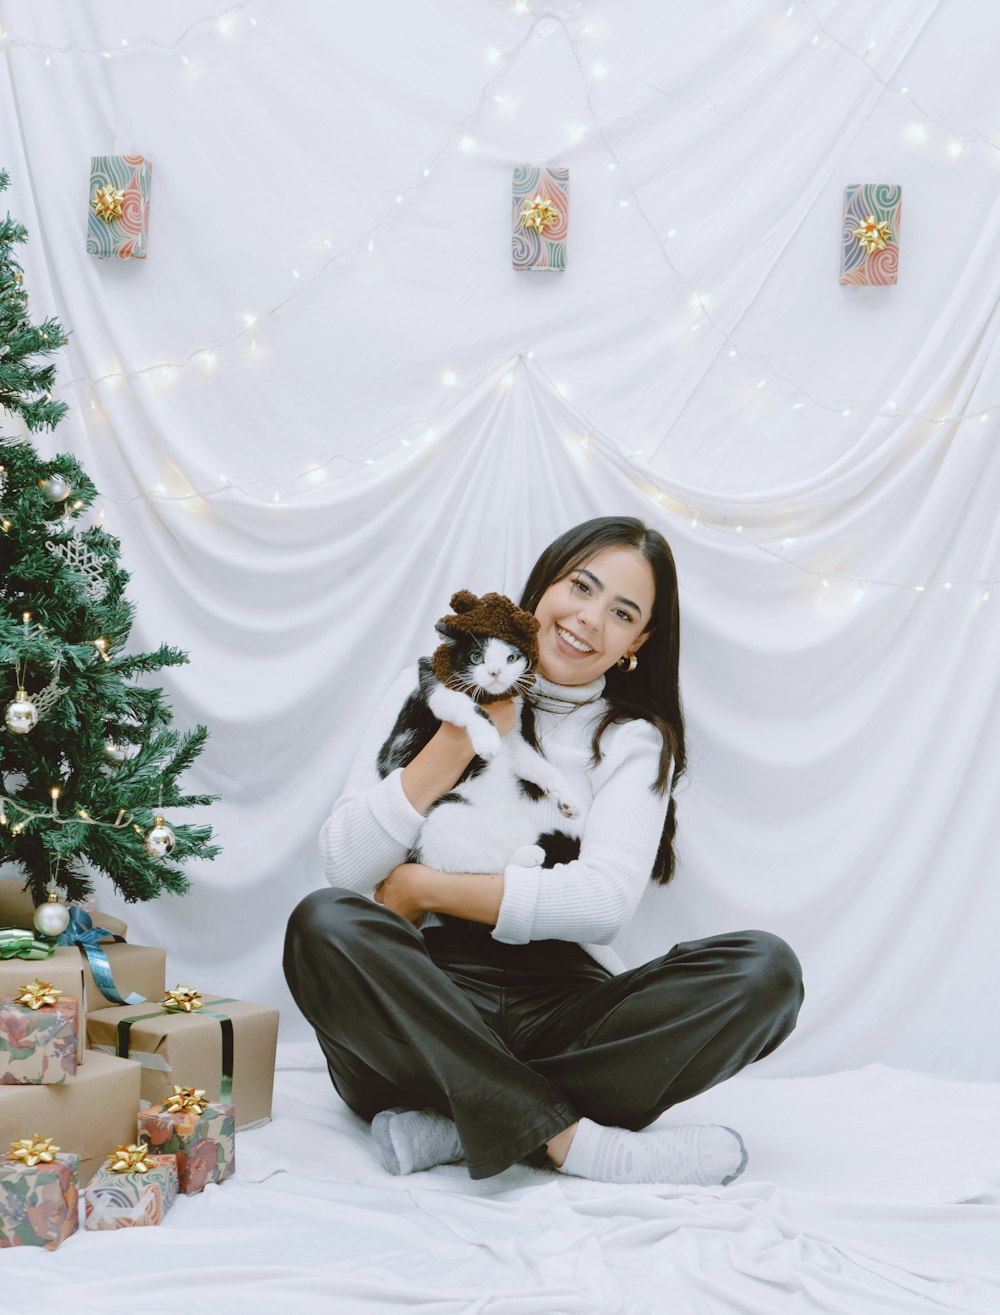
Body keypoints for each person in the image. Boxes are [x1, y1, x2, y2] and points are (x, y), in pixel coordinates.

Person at [284, 516, 803, 1184]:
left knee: (766, 970)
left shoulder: (633, 740)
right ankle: (569, 1139)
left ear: (637, 642)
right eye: (580, 587)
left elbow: (602, 903)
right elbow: (345, 863)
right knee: (323, 922)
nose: (589, 619)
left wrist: (423, 888)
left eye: (620, 612)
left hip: (566, 1005)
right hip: (428, 996)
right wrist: (452, 745)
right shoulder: (433, 690)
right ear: (544, 584)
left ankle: (463, 1120)